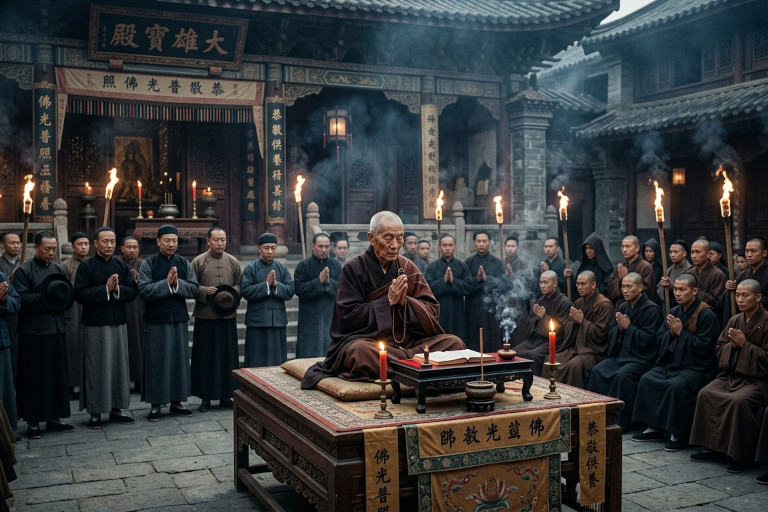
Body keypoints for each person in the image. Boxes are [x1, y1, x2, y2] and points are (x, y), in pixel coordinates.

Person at [302, 211, 465, 388]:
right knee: (359, 353)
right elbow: (347, 316)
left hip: (409, 343)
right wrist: (387, 302)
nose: (395, 245)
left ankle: (405, 366)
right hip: (372, 344)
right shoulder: (353, 268)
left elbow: (432, 310)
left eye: (399, 238)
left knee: (455, 344)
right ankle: (416, 366)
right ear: (371, 238)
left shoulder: (407, 267)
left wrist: (407, 304)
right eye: (388, 238)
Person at [631, 274, 719, 451]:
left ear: (694, 291)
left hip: (696, 367)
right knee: (648, 379)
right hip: (672, 363)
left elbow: (705, 346)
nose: (677, 293)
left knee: (676, 386)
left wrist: (682, 333)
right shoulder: (674, 312)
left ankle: (677, 433)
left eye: (682, 290)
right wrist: (671, 334)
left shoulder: (706, 313)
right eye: (675, 289)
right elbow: (659, 338)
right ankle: (653, 426)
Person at [689, 279, 768, 473]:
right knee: (706, 393)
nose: (740, 299)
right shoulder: (735, 320)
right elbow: (719, 347)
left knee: (738, 402)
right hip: (732, 375)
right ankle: (712, 448)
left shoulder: (766, 322)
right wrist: (732, 346)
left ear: (758, 297)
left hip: (756, 380)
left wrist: (745, 346)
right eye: (738, 295)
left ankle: (741, 456)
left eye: (745, 295)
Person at [13, 232, 75, 438]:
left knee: (56, 375)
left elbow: (67, 295)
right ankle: (33, 420)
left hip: (56, 328)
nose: (51, 253)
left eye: (54, 249)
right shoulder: (24, 271)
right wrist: (47, 297)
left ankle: (54, 417)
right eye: (47, 249)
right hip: (34, 330)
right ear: (36, 247)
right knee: (34, 377)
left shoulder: (58, 269)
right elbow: (21, 298)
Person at [74, 227, 137, 429]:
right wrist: (104, 290)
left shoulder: (120, 264)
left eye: (112, 241)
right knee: (97, 368)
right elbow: (80, 294)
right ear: (95, 244)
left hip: (117, 322)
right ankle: (95, 412)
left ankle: (117, 408)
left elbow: (132, 291)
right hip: (95, 324)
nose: (109, 245)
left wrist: (117, 289)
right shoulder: (87, 267)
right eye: (105, 241)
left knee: (118, 366)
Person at [138, 225, 199, 421]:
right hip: (156, 321)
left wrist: (177, 284)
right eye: (167, 240)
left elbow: (194, 288)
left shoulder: (183, 263)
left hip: (178, 319)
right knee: (156, 362)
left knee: (178, 362)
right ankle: (156, 405)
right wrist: (166, 284)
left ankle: (177, 402)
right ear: (158, 242)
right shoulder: (149, 264)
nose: (171, 244)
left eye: (174, 240)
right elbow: (144, 289)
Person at [588, 272, 663, 430]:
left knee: (623, 376)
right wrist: (622, 329)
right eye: (623, 286)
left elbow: (649, 340)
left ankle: (620, 421)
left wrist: (629, 328)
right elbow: (612, 330)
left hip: (640, 359)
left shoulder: (651, 310)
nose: (625, 290)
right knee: (598, 370)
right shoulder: (623, 306)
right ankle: (596, 414)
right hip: (622, 355)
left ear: (640, 287)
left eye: (629, 286)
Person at [190, 227, 242, 412]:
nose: (220, 243)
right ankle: (205, 397)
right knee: (205, 358)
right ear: (208, 241)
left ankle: (226, 395)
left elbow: (239, 284)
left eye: (223, 240)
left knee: (227, 357)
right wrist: (205, 291)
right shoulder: (199, 261)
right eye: (216, 240)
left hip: (227, 317)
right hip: (206, 317)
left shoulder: (233, 261)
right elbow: (190, 286)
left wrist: (233, 292)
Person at [241, 233, 295, 367]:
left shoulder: (282, 268)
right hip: (257, 322)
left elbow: (290, 290)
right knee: (256, 360)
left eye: (273, 248)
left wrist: (276, 285)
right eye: (266, 248)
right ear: (259, 248)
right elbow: (246, 291)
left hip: (277, 321)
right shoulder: (250, 268)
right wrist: (265, 285)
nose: (270, 251)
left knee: (277, 361)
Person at [556, 270, 614, 388]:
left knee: (574, 366)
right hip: (576, 346)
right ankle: (553, 392)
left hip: (593, 350)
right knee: (552, 359)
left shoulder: (604, 305)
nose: (579, 287)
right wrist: (573, 323)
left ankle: (573, 396)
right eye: (577, 284)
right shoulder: (578, 302)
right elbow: (567, 326)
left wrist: (582, 322)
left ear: (593, 285)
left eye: (583, 284)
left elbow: (601, 334)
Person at [514, 270, 572, 375]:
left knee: (533, 355)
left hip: (553, 342)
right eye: (540, 282)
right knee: (515, 351)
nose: (542, 286)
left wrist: (544, 317)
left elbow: (562, 330)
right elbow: (530, 321)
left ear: (555, 283)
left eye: (545, 282)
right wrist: (536, 319)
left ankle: (534, 384)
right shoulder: (541, 300)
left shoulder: (564, 302)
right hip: (536, 340)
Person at [294, 233, 342, 358]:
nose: (324, 250)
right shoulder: (303, 266)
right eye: (320, 246)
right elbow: (299, 289)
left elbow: (343, 289)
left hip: (329, 316)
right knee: (309, 351)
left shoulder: (336, 266)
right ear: (313, 246)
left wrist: (329, 282)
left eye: (327, 246)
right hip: (310, 317)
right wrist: (318, 282)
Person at [424, 234, 473, 341]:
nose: (447, 248)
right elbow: (427, 289)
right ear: (439, 247)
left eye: (450, 245)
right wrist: (443, 281)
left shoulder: (462, 266)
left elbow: (469, 287)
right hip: (439, 312)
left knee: (458, 340)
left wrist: (453, 281)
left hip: (458, 311)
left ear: (455, 247)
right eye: (444, 245)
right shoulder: (432, 267)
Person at [464, 231, 505, 351]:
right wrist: (477, 279)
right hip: (473, 308)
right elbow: (464, 287)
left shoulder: (497, 263)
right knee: (474, 341)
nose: (481, 244)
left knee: (491, 341)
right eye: (478, 241)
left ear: (489, 243)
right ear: (474, 243)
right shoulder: (468, 263)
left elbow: (503, 286)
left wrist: (488, 280)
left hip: (491, 309)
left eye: (484, 241)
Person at [62, 231, 89, 398]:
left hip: (90, 309)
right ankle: (71, 385)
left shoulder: (92, 263)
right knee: (72, 347)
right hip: (72, 311)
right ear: (73, 247)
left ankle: (88, 384)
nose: (84, 247)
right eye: (80, 244)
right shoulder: (66, 266)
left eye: (86, 244)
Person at [117, 236, 145, 392]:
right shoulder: (117, 264)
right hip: (123, 308)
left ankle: (140, 379)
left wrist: (139, 280)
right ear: (122, 249)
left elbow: (149, 285)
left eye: (135, 247)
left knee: (140, 343)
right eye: (129, 247)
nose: (132, 250)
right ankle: (123, 381)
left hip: (140, 308)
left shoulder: (143, 264)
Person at [723, 237, 768, 321]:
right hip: (743, 320)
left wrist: (751, 298)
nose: (749, 255)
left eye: (753, 251)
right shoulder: (742, 275)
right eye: (747, 251)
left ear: (764, 253)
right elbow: (733, 300)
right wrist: (730, 289)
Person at [606, 236, 656, 307]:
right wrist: (620, 280)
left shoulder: (646, 267)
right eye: (623, 247)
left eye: (628, 246)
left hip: (639, 308)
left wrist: (626, 277)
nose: (624, 250)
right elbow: (610, 288)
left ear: (637, 248)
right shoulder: (620, 267)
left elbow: (648, 291)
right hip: (620, 306)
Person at [685, 239, 725, 321]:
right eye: (692, 252)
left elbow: (717, 302)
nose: (694, 256)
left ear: (708, 254)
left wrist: (694, 292)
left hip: (708, 317)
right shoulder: (689, 272)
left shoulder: (717, 274)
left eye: (698, 252)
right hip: (689, 315)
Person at [0, 271, 20, 431]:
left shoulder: (1, 278)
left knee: (4, 387)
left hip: (1, 340)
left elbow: (16, 304)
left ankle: (6, 431)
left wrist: (4, 300)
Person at [0, 233, 21, 381]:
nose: (16, 246)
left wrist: (4, 299)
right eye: (12, 243)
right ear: (2, 245)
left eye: (18, 243)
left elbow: (16, 301)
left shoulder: (25, 264)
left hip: (17, 318)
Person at [657, 239, 692, 310]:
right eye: (671, 252)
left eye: (676, 252)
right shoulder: (669, 269)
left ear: (684, 253)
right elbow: (659, 288)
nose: (672, 255)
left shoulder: (690, 270)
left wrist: (671, 286)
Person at [642, 238, 664, 307]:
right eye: (646, 251)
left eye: (651, 251)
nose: (648, 254)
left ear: (655, 252)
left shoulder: (659, 268)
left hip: (654, 299)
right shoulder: (642, 266)